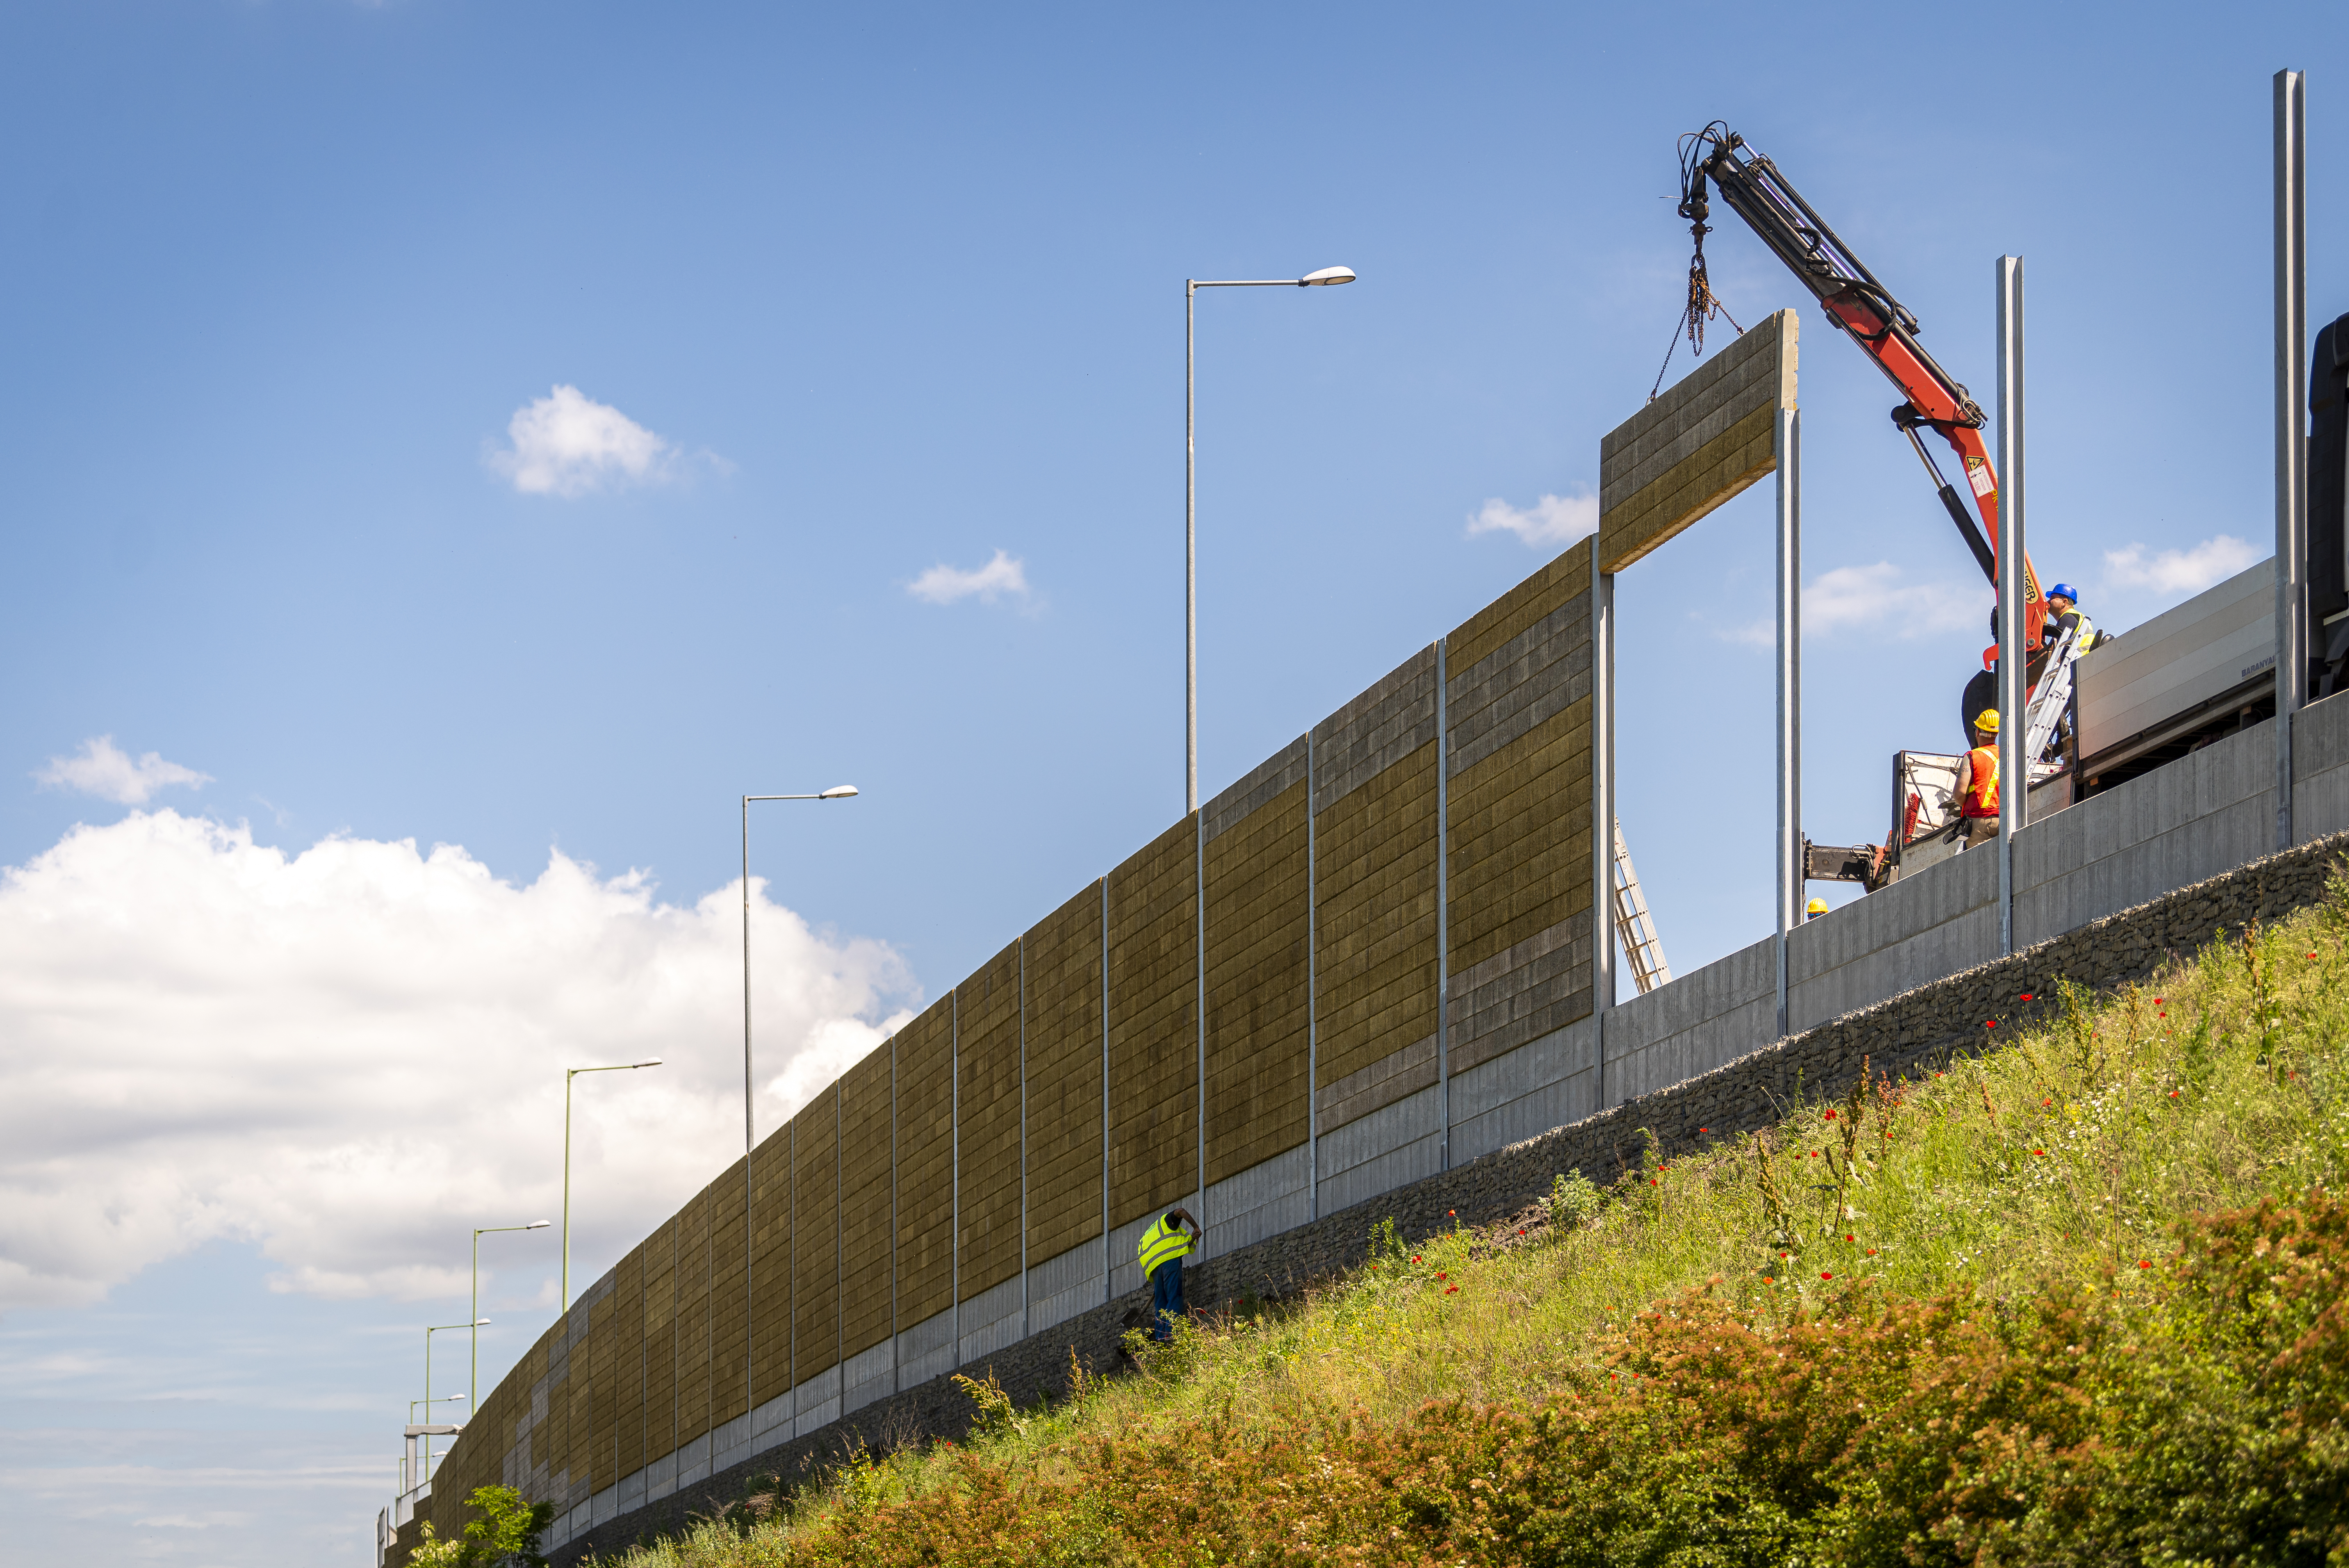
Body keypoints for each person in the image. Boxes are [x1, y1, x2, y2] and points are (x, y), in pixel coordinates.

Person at [1135, 1205, 1200, 1341]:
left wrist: (1193, 1238)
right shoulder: (1168, 1222)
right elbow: (1181, 1211)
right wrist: (1196, 1227)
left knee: (1161, 1303)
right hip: (1169, 1263)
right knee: (1174, 1296)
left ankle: (1161, 1338)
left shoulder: (1151, 1232)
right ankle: (1171, 1333)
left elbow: (1179, 1247)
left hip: (1155, 1268)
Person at [1953, 709, 2001, 848]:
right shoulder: (2007, 753)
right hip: (2006, 818)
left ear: (1978, 732)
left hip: (1979, 820)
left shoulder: (1972, 756)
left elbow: (1960, 793)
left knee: (1982, 866)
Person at [2045, 583, 2098, 654]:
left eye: (2052, 598)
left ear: (2064, 602)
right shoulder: (2075, 616)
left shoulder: (2069, 617)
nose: (2048, 602)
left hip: (2077, 660)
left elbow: (2053, 648)